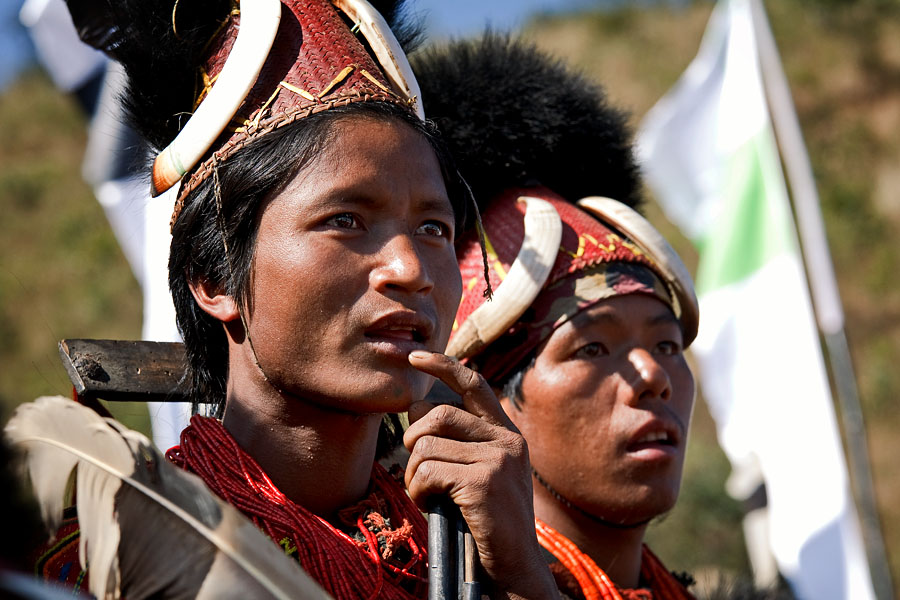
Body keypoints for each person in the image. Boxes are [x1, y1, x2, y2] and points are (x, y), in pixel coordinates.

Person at [26, 3, 560, 599]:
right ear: (216, 278)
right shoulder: (113, 564)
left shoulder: (479, 559)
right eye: (346, 220)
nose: (410, 269)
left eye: (434, 228)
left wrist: (522, 576)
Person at [414, 35, 700, 599]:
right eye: (592, 348)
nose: (655, 377)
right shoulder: (398, 582)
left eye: (668, 346)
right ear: (482, 406)